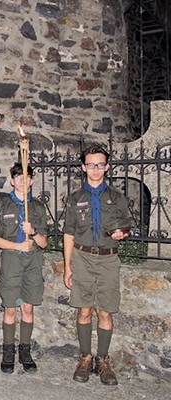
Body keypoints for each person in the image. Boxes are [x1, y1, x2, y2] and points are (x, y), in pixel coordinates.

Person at [63, 145, 131, 385]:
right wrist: (68, 266)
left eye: (100, 164)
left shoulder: (118, 197)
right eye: (91, 164)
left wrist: (122, 233)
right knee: (84, 310)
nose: (95, 169)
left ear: (107, 167)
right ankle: (85, 358)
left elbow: (126, 226)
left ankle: (103, 360)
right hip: (82, 258)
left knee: (104, 311)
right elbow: (68, 234)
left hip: (108, 259)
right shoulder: (75, 199)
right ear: (83, 167)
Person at [0, 162, 48, 373]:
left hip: (33, 262)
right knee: (11, 309)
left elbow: (44, 243)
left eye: (27, 177)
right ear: (12, 180)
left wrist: (32, 232)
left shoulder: (39, 207)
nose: (23, 181)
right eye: (19, 177)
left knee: (28, 308)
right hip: (12, 260)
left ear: (32, 181)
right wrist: (18, 245)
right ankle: (8, 352)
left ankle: (25, 351)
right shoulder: (2, 206)